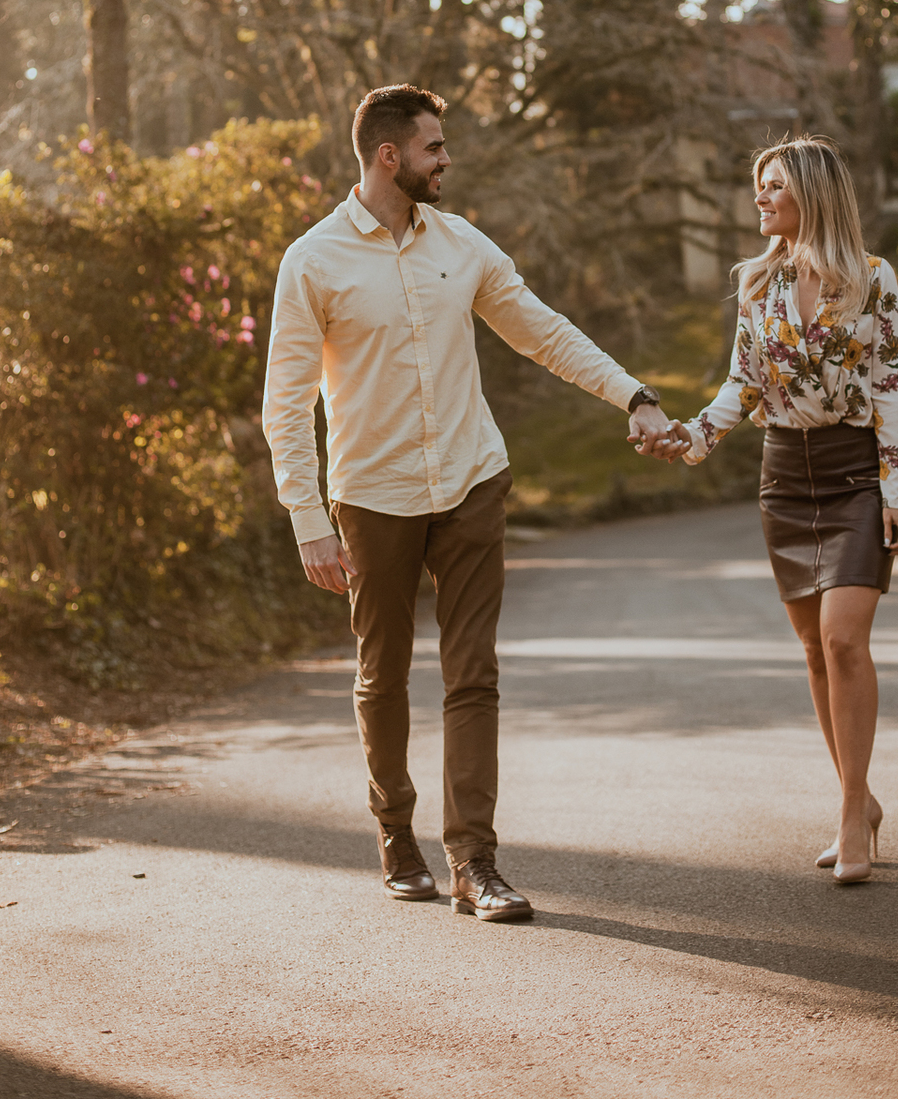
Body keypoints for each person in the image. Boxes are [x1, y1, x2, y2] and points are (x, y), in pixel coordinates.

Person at [262, 83, 674, 921]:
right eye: (434, 148)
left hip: (470, 481)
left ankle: (474, 862)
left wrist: (634, 396)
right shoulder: (313, 261)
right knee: (382, 675)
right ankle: (395, 834)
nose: (447, 160)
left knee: (472, 673)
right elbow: (285, 402)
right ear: (390, 157)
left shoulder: (462, 244)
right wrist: (310, 522)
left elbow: (544, 331)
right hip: (372, 497)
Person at [649, 135, 898, 885]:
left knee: (842, 642)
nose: (759, 198)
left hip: (855, 474)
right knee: (811, 649)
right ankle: (859, 801)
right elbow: (740, 384)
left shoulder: (873, 279)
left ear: (811, 194)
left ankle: (847, 816)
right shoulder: (757, 285)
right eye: (758, 187)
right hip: (784, 482)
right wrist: (689, 438)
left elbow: (889, 385)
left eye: (772, 186)